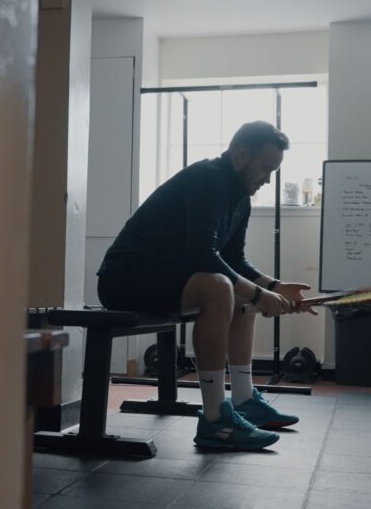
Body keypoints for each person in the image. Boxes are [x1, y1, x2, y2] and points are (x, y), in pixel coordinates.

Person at [97, 120, 315, 450]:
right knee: (221, 287)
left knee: (237, 290)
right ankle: (215, 419)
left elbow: (234, 260)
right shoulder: (209, 179)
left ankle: (242, 400)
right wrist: (260, 293)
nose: (268, 179)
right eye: (265, 168)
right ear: (241, 156)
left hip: (167, 280)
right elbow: (202, 254)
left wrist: (275, 286)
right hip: (124, 279)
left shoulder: (241, 199)